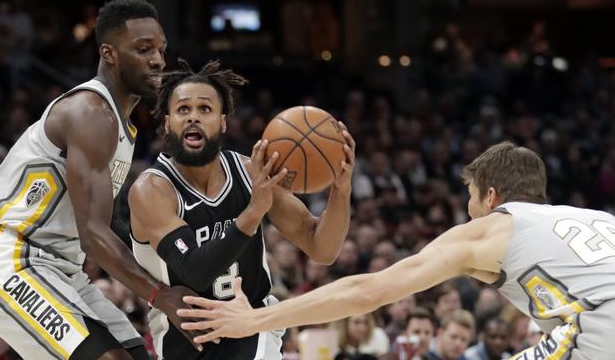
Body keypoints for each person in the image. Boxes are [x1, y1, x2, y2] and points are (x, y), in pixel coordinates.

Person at [180, 141, 615, 360]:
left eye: (470, 197)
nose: (468, 209)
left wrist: (253, 319)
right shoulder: (596, 219)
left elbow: (368, 292)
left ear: (491, 197)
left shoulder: (492, 230)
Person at [0, 0, 202, 359]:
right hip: (13, 261)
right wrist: (158, 293)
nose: (158, 60)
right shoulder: (90, 113)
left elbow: (110, 224)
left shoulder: (121, 125)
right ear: (109, 53)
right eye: (143, 49)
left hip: (63, 269)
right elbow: (93, 234)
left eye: (161, 49)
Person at [128, 59, 355, 359]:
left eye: (205, 109)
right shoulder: (152, 191)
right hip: (183, 338)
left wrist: (341, 190)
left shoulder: (250, 173)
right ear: (168, 123)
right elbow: (195, 273)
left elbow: (322, 248)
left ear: (223, 122)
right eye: (183, 109)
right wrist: (253, 211)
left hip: (252, 323)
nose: (193, 117)